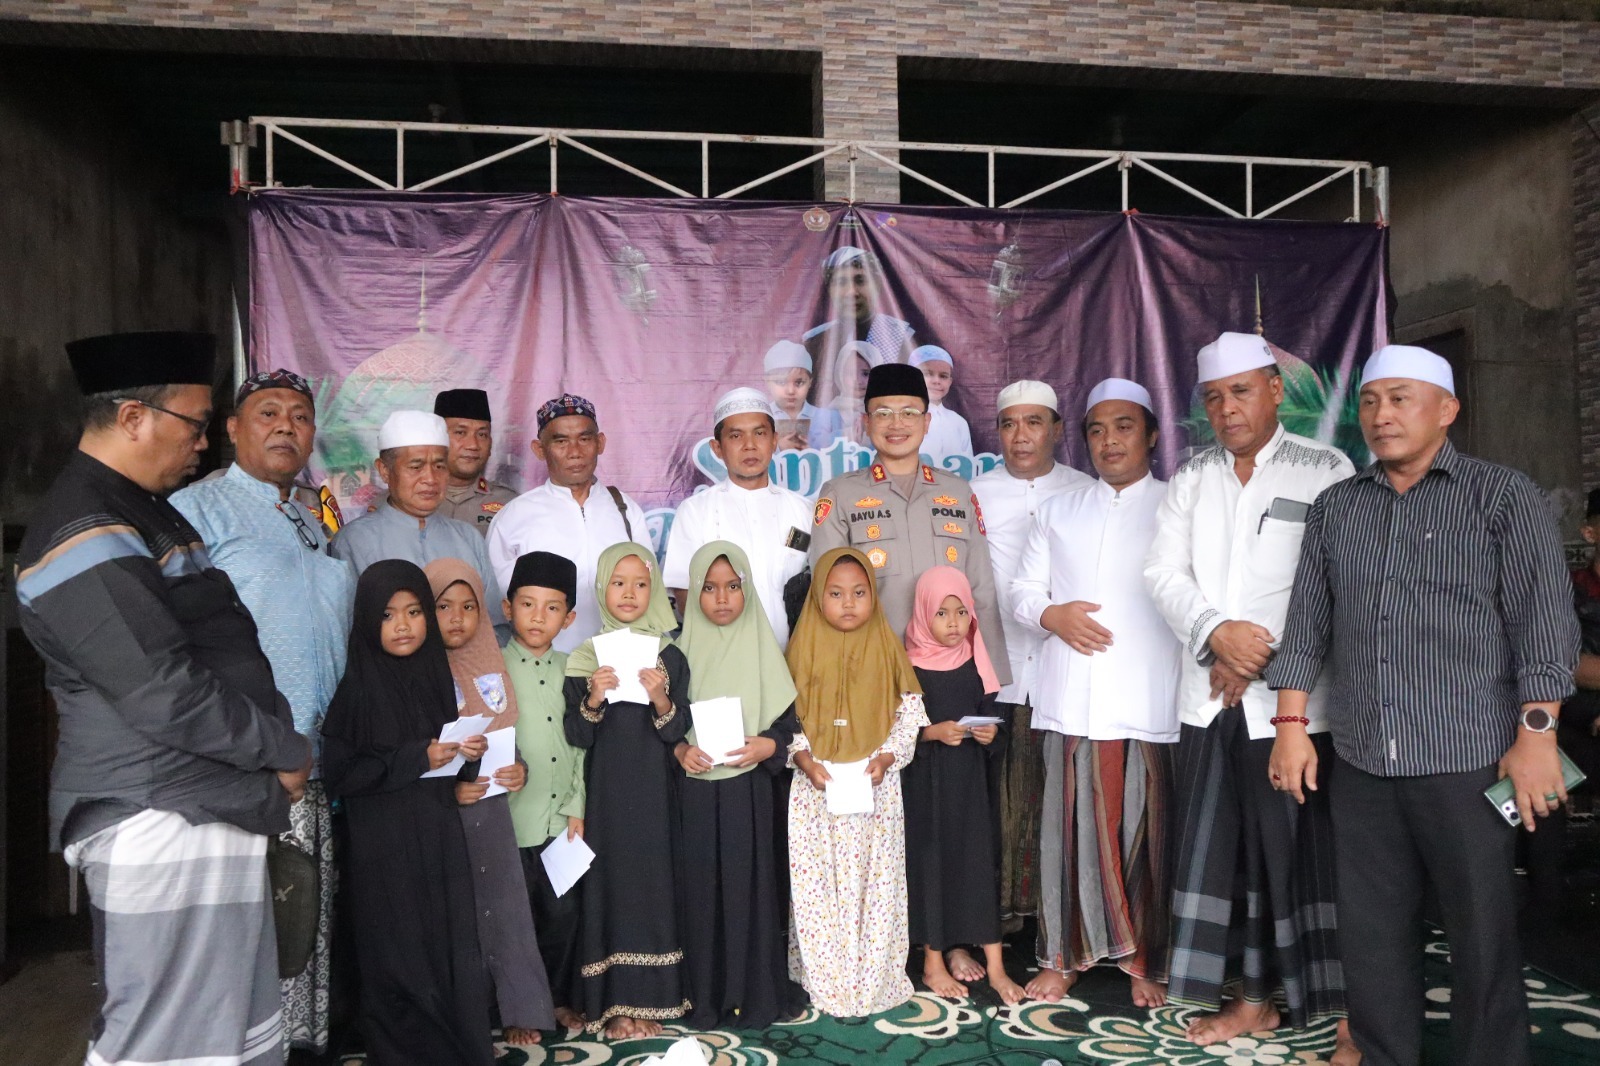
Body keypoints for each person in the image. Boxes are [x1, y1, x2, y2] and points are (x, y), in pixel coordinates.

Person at [1267, 345, 1580, 1066]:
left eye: (1401, 398)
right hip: (1363, 760)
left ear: (1446, 410)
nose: (1381, 415)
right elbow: (1307, 624)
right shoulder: (1338, 506)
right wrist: (1290, 725)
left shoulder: (1503, 496)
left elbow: (1543, 626)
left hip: (1468, 758)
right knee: (1371, 934)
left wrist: (1537, 736)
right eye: (1370, 401)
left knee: (1483, 933)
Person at [16, 331, 310, 1066]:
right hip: (160, 812)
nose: (205, 444)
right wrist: (281, 748)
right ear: (133, 418)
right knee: (167, 1041)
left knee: (223, 1036)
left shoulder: (140, 508)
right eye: (196, 424)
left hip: (202, 802)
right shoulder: (85, 527)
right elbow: (160, 690)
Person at [1143, 331, 1356, 1053]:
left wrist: (1250, 653)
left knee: (1297, 862)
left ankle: (1331, 1009)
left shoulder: (1325, 469)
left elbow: (1329, 582)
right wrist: (1215, 632)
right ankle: (1252, 1001)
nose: (1227, 408)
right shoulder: (1193, 476)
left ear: (1273, 389)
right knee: (1229, 862)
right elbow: (1162, 573)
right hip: (1209, 703)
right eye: (1213, 398)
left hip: (1291, 709)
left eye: (1240, 391)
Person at [170, 367, 356, 1056]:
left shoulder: (312, 516)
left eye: (300, 416)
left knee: (304, 919)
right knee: (244, 929)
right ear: (232, 429)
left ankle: (301, 1047)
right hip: (244, 762)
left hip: (319, 757)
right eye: (268, 413)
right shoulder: (197, 509)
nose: (286, 426)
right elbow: (175, 642)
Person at [1011, 378, 1178, 1008]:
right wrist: (1051, 615)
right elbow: (1023, 590)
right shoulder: (1060, 509)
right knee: (1069, 830)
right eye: (1098, 430)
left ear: (1152, 436)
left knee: (1145, 831)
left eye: (1124, 427)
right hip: (1072, 698)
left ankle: (1145, 960)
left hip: (1149, 697)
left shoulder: (1178, 504)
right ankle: (1063, 957)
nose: (1110, 441)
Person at [321, 560, 494, 1066]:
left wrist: (469, 754)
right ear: (367, 620)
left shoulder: (435, 679)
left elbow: (446, 765)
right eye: (388, 614)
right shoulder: (357, 691)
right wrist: (417, 758)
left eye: (415, 612)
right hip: (385, 848)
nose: (403, 625)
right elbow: (342, 774)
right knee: (398, 950)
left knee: (446, 943)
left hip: (438, 837)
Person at [785, 547, 929, 1017]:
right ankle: (826, 981)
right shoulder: (801, 647)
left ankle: (871, 980)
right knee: (818, 888)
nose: (848, 603)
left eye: (859, 592)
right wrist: (804, 759)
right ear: (817, 598)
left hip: (875, 788)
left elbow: (909, 715)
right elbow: (784, 718)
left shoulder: (886, 645)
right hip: (816, 790)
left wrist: (887, 757)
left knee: (876, 885)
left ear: (873, 596)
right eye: (835, 593)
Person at [970, 380, 1093, 928]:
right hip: (993, 668)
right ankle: (996, 918)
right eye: (1009, 424)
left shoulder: (1085, 491)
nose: (1021, 435)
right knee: (996, 798)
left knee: (1055, 797)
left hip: (1065, 667)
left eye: (1034, 422)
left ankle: (1054, 919)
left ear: (1058, 430)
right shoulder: (973, 494)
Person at [673, 541, 807, 1029]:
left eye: (733, 586)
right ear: (693, 592)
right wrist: (680, 750)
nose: (722, 598)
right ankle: (705, 996)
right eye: (709, 588)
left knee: (749, 890)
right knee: (700, 893)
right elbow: (663, 725)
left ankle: (750, 993)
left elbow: (787, 724)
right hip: (696, 791)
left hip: (748, 793)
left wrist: (767, 746)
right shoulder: (676, 654)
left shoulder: (763, 647)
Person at [810, 362, 1011, 683]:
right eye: (883, 413)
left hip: (952, 672)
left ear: (927, 422)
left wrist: (991, 676)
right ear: (866, 422)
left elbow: (981, 588)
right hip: (872, 669)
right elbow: (826, 594)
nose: (896, 424)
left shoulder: (957, 492)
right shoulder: (840, 494)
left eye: (909, 412)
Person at [426, 559, 556, 1047]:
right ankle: (469, 1013)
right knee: (457, 916)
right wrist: (449, 792)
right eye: (443, 607)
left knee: (506, 909)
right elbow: (410, 753)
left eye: (469, 607)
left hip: (492, 812)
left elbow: (504, 736)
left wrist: (519, 768)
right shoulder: (417, 671)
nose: (458, 618)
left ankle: (520, 1009)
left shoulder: (489, 661)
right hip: (443, 818)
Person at [563, 543, 691, 1038]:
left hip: (655, 795)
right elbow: (578, 736)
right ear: (602, 589)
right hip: (606, 796)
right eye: (619, 583)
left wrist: (660, 696)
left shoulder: (669, 655)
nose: (630, 593)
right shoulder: (584, 658)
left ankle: (652, 1002)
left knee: (652, 885)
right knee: (609, 887)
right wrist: (595, 695)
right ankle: (615, 1005)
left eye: (641, 584)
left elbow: (676, 733)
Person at [901, 566, 1020, 1005]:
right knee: (931, 865)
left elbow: (996, 722)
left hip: (970, 786)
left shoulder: (976, 658)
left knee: (975, 865)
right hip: (926, 788)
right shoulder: (908, 665)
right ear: (922, 614)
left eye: (961, 612)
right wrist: (932, 733)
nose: (954, 623)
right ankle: (933, 962)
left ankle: (997, 967)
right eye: (942, 613)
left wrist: (991, 734)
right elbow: (896, 732)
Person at [501, 551, 588, 1034]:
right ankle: (518, 1011)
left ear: (568, 618)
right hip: (510, 820)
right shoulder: (491, 669)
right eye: (527, 604)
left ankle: (555, 1002)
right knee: (515, 921)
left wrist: (578, 805)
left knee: (562, 917)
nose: (538, 617)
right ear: (507, 606)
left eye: (552, 608)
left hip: (560, 821)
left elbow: (583, 745)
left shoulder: (573, 671)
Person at [488, 394, 648, 653]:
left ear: (600, 443)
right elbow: (495, 607)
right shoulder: (514, 517)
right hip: (543, 665)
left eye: (584, 439)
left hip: (618, 663)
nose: (575, 452)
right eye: (561, 441)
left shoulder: (626, 511)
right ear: (539, 449)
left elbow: (649, 590)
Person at [664, 388, 813, 646]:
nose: (749, 445)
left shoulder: (804, 511)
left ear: (774, 440)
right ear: (717, 448)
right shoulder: (695, 512)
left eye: (759, 433)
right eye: (736, 436)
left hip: (795, 658)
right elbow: (685, 594)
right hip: (724, 660)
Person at [330, 409, 504, 626]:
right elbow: (345, 628)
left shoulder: (468, 537)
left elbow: (494, 626)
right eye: (416, 467)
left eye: (439, 466)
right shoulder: (353, 541)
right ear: (384, 470)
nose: (430, 479)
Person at [803, 246, 915, 409]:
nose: (851, 292)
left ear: (877, 284)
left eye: (860, 280)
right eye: (841, 282)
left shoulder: (903, 336)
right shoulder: (813, 340)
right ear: (829, 289)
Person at [433, 388, 518, 534]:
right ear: (436, 439)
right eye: (460, 432)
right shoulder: (404, 499)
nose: (473, 445)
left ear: (490, 444)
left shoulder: (510, 503)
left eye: (482, 434)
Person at [763, 339, 842, 451]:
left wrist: (814, 454)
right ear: (767, 382)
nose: (791, 391)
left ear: (810, 382)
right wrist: (777, 448)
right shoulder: (761, 419)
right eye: (781, 382)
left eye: (799, 382)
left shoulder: (829, 418)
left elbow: (841, 455)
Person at [911, 346, 974, 470]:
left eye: (943, 376)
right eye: (928, 374)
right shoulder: (901, 417)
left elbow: (966, 469)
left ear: (950, 382)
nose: (936, 381)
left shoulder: (958, 422)